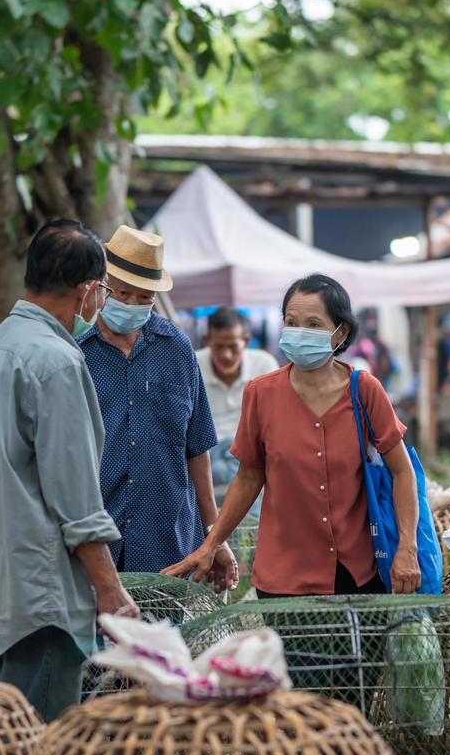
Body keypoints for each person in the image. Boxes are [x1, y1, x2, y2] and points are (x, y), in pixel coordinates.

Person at [0, 219, 138, 723]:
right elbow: (75, 497)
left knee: (5, 744)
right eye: (102, 290)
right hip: (43, 597)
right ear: (86, 292)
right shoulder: (57, 360)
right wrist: (109, 589)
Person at [163, 272, 421, 598]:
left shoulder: (364, 390)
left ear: (340, 333)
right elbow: (248, 477)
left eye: (313, 324)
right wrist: (211, 543)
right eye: (292, 321)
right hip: (283, 576)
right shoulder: (260, 393)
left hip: (357, 574)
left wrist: (406, 548)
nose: (300, 333)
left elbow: (402, 472)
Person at [78, 225, 237, 588]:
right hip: (94, 537)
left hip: (166, 542)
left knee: (165, 641)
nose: (133, 305)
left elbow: (197, 448)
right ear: (103, 283)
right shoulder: (77, 352)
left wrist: (214, 533)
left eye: (144, 297)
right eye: (124, 293)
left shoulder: (176, 348)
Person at [196, 307, 278, 491]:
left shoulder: (264, 364)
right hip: (207, 452)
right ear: (207, 341)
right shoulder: (193, 364)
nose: (226, 355)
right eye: (219, 347)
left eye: (233, 347)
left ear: (246, 341)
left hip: (248, 450)